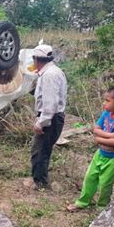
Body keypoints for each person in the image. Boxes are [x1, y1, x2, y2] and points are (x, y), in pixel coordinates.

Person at [67, 85, 114, 211]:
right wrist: (110, 136)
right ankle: (82, 202)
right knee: (90, 178)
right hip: (100, 154)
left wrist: (99, 139)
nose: (104, 103)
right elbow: (96, 129)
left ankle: (102, 208)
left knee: (105, 184)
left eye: (107, 101)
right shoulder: (106, 114)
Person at [30, 44, 67, 190]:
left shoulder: (49, 75)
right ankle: (41, 179)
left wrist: (42, 122)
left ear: (37, 59)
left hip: (50, 119)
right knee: (43, 149)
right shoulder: (53, 71)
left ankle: (40, 183)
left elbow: (50, 103)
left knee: (39, 151)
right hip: (52, 117)